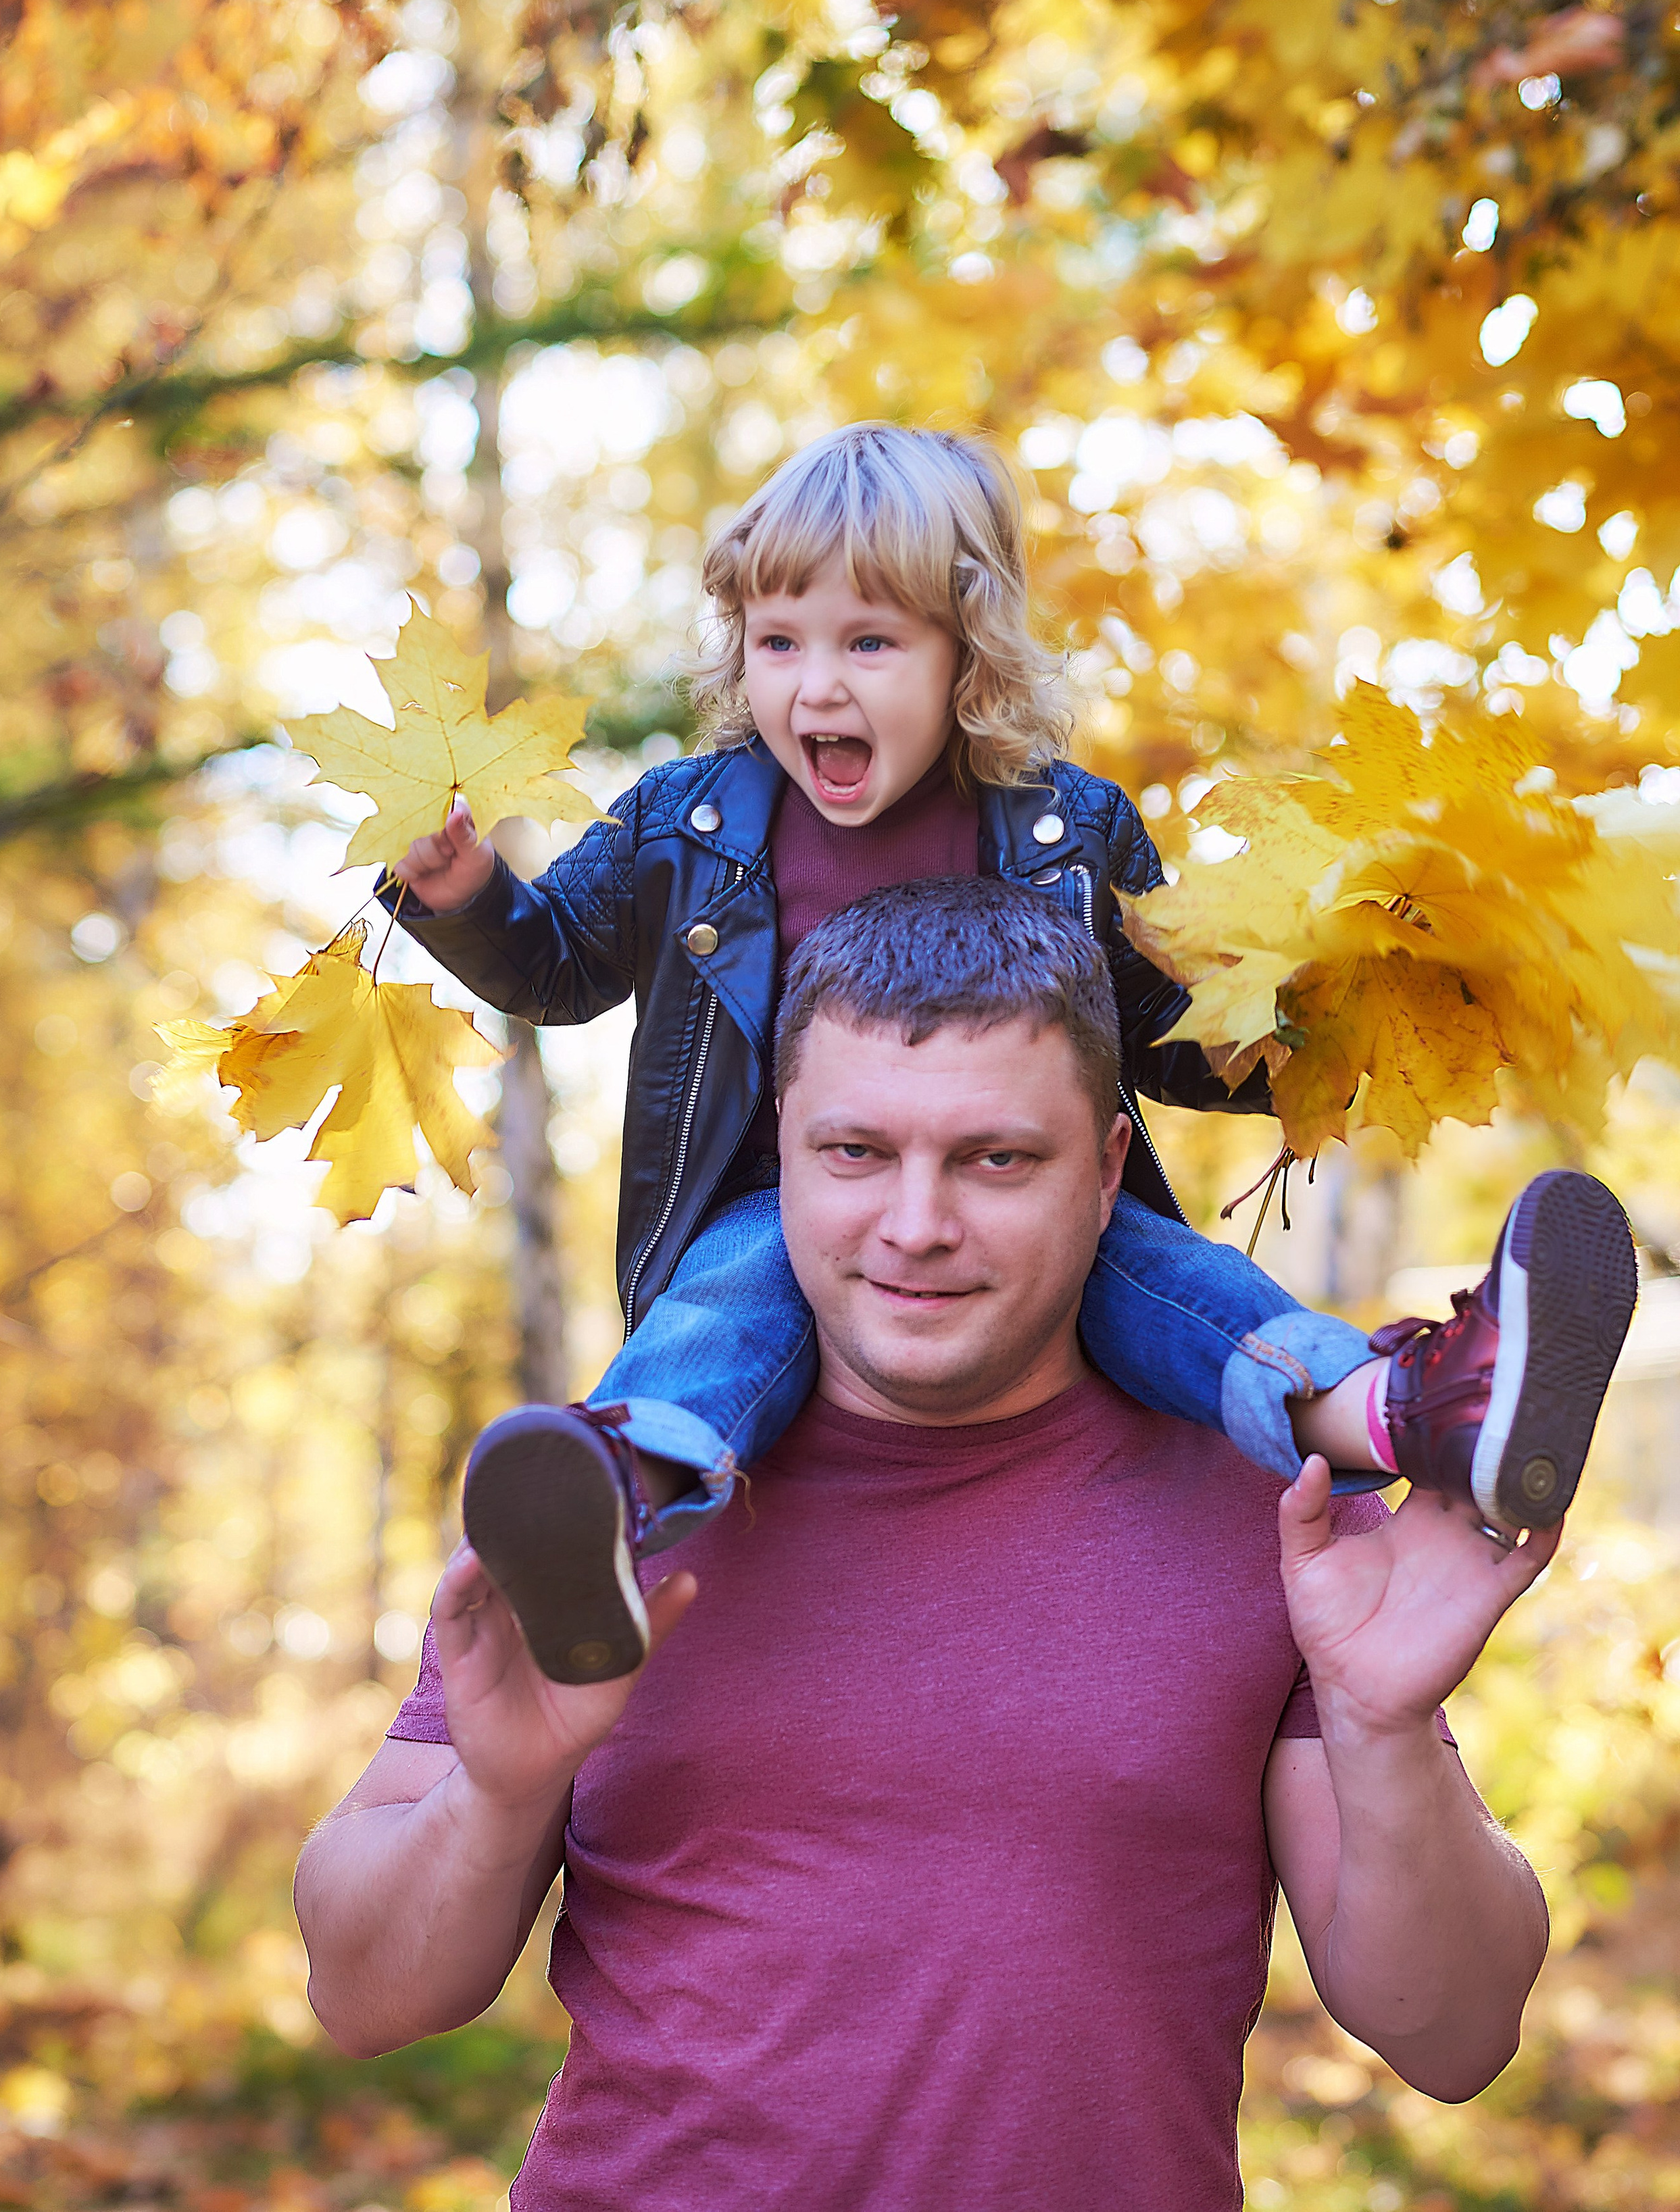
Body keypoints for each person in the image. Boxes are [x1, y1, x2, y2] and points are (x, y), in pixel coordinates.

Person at [295, 881, 1556, 2211]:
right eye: (853, 1152)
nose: (913, 1226)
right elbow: (365, 1994)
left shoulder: (1282, 1508)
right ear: (779, 1142)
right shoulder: (599, 1501)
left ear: (1109, 1167)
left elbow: (1453, 2035)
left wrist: (1382, 1726)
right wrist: (492, 1794)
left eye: (994, 1159)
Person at [387, 423, 1635, 1683]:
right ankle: (613, 1498)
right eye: (780, 643)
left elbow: (1169, 1032)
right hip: (777, 1199)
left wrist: (1327, 1014)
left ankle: (1419, 1412)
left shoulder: (1065, 829)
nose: (816, 687)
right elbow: (557, 967)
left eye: (869, 642)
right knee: (727, 1303)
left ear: (963, 651)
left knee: (1176, 1282)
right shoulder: (688, 822)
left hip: (1023, 1196)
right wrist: (464, 891)